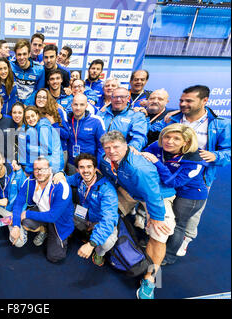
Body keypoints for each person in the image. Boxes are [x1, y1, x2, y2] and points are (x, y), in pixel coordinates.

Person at [150, 85, 231, 255]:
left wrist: (216, 156)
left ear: (204, 101)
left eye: (188, 101)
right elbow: (155, 134)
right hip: (170, 171)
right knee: (167, 213)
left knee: (185, 218)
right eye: (181, 100)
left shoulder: (219, 124)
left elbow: (228, 151)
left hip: (197, 176)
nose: (183, 104)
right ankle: (160, 242)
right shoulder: (173, 118)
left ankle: (180, 244)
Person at [99, 130, 176, 299]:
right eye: (107, 147)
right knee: (106, 211)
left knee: (159, 234)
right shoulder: (105, 160)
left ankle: (150, 279)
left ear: (126, 146)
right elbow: (110, 179)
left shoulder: (138, 168)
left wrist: (156, 217)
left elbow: (153, 193)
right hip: (131, 191)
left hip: (157, 196)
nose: (112, 151)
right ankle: (107, 247)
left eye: (116, 147)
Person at [140, 124, 208, 265]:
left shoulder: (195, 160)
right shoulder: (157, 146)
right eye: (167, 136)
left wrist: (157, 162)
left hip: (190, 195)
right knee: (165, 220)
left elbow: (174, 182)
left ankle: (168, 256)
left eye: (176, 139)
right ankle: (156, 243)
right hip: (170, 191)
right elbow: (143, 155)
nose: (169, 141)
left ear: (186, 142)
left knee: (178, 225)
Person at [10, 157, 74, 263]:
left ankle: (62, 234)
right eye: (36, 169)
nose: (39, 172)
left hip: (58, 220)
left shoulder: (61, 186)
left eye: (43, 169)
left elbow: (53, 216)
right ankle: (44, 230)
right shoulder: (30, 181)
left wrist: (27, 213)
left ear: (50, 169)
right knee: (25, 221)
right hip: (42, 212)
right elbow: (18, 203)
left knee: (54, 257)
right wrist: (16, 226)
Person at [66, 153, 118, 266]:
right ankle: (85, 231)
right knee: (65, 211)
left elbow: (108, 220)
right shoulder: (78, 178)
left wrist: (91, 244)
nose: (86, 171)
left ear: (95, 169)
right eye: (82, 167)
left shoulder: (107, 190)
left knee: (106, 242)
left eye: (89, 167)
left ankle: (99, 253)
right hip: (85, 214)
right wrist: (59, 175)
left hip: (101, 220)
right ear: (77, 170)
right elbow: (65, 180)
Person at [98, 87, 148, 151]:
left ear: (128, 98)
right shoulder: (101, 113)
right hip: (99, 154)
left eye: (122, 97)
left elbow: (139, 138)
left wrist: (128, 151)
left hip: (120, 156)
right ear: (111, 98)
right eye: (115, 97)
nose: (118, 99)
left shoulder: (136, 115)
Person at [66, 94, 105, 175]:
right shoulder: (66, 120)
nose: (78, 108)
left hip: (89, 165)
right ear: (71, 105)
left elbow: (101, 147)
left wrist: (97, 166)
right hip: (71, 163)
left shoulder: (96, 121)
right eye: (75, 104)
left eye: (82, 104)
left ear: (86, 106)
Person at [19, 106, 64, 176]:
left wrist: (28, 147)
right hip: (49, 164)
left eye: (32, 116)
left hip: (53, 165)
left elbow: (47, 149)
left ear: (37, 115)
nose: (31, 119)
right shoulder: (35, 127)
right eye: (28, 118)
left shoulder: (43, 127)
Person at [34, 88, 70, 167]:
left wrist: (53, 124)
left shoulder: (58, 111)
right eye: (39, 97)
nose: (41, 99)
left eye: (44, 97)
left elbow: (66, 135)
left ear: (48, 99)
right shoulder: (33, 114)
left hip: (59, 153)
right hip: (41, 154)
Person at [11, 39, 45, 106]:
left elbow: (38, 91)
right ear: (15, 55)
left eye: (24, 54)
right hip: (14, 105)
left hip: (31, 106)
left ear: (29, 54)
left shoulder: (39, 69)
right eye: (19, 54)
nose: (21, 57)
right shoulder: (10, 66)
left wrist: (27, 104)